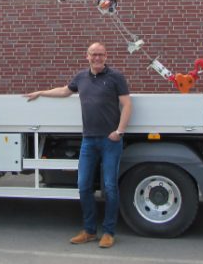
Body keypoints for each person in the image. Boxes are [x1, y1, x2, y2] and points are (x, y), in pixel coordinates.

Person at [24, 42, 132, 248]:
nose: (97, 58)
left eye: (101, 54)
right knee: (83, 186)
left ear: (106, 55)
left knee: (110, 187)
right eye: (94, 54)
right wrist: (41, 92)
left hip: (110, 141)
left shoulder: (115, 77)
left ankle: (109, 232)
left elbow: (127, 104)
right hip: (89, 140)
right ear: (87, 56)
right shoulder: (81, 77)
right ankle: (90, 230)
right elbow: (65, 91)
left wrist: (119, 131)